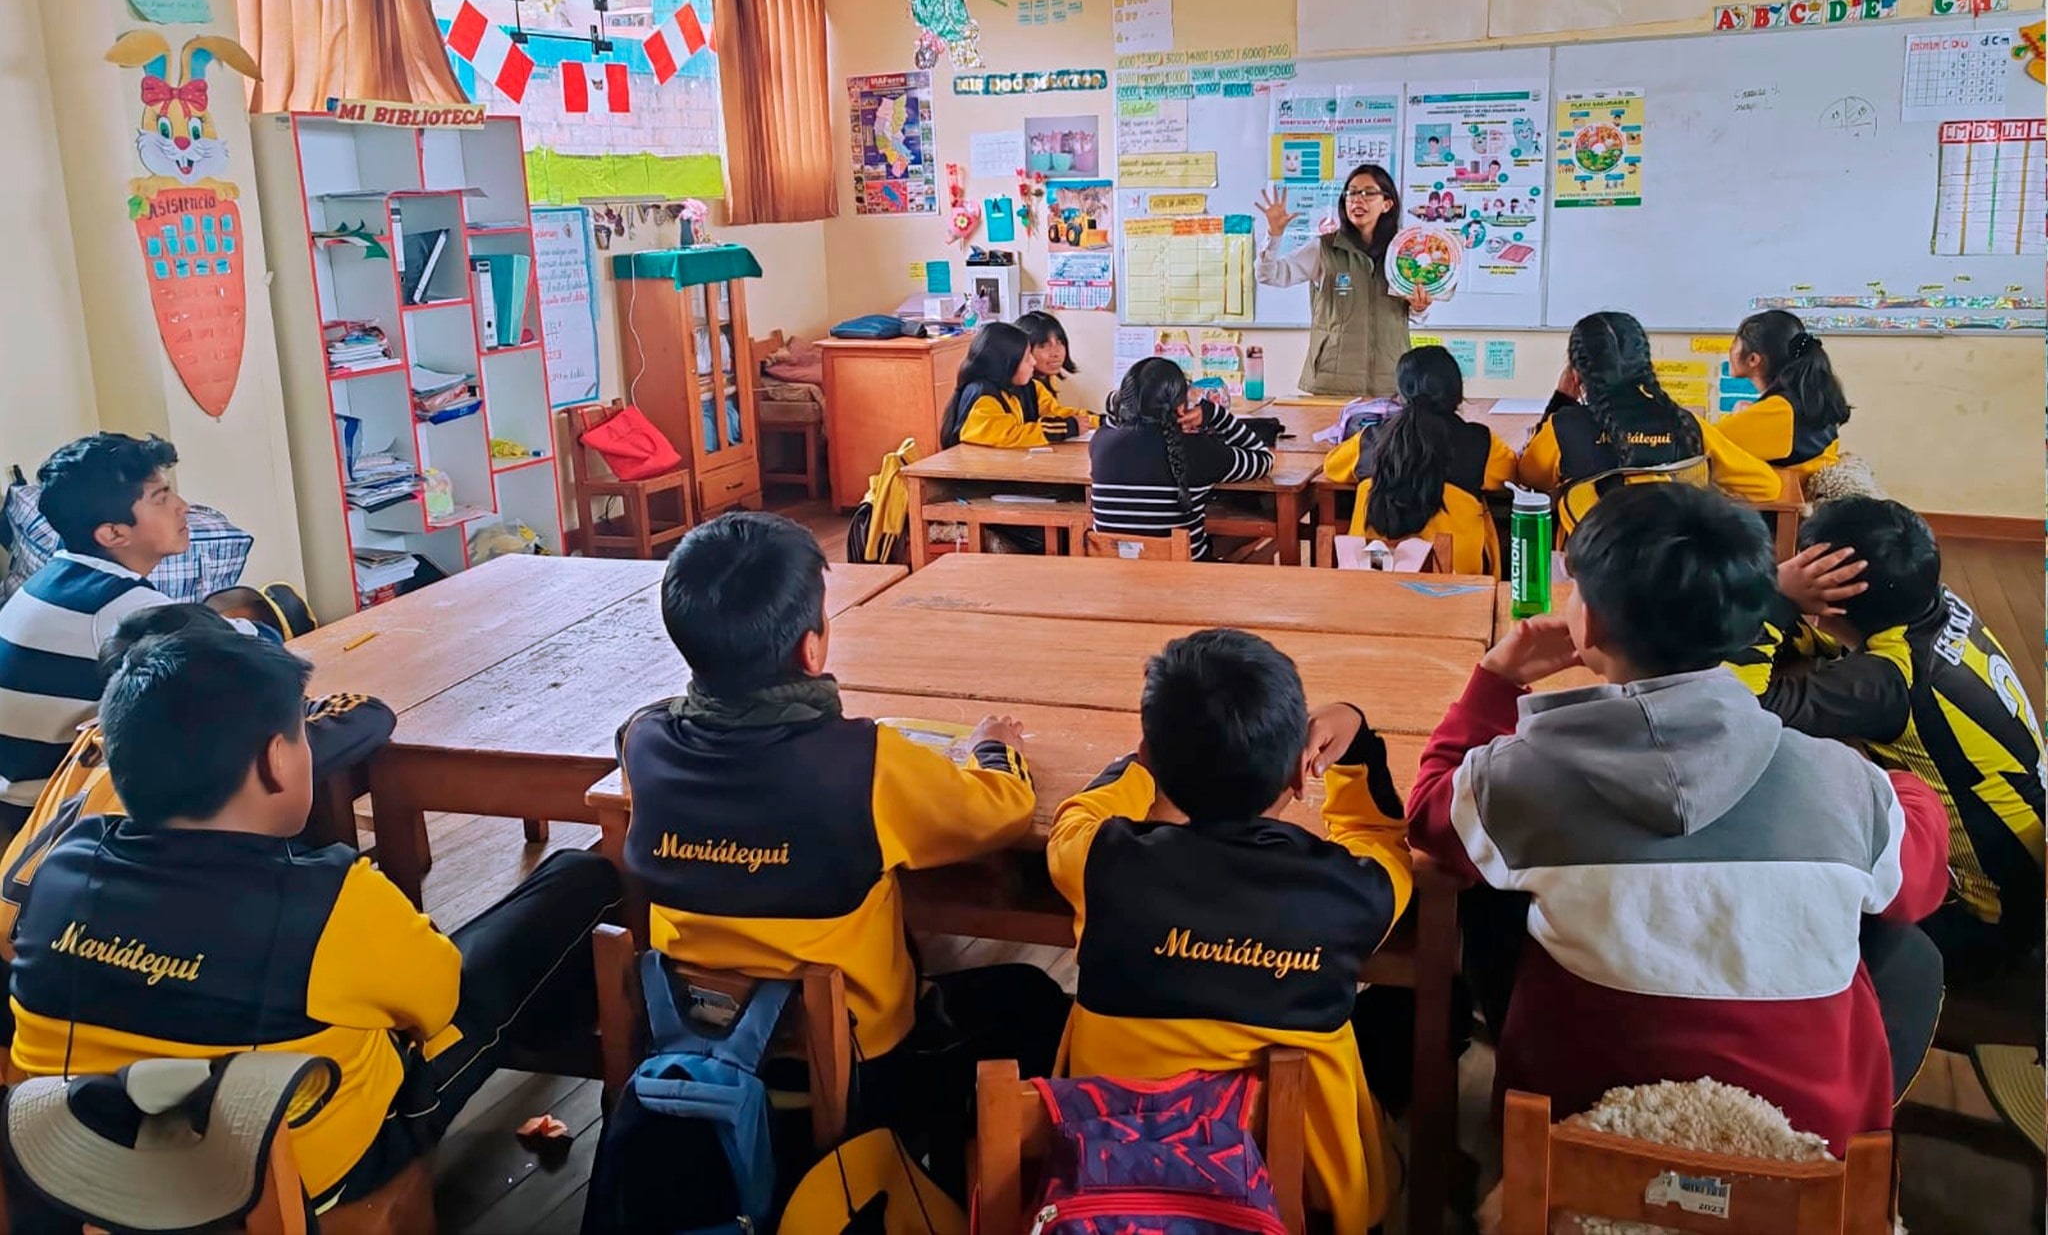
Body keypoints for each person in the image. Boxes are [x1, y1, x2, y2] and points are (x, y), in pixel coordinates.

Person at [1407, 483, 1949, 1154]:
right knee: (1898, 949)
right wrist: (1895, 786)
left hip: (1586, 1140)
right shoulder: (1842, 782)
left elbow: (1430, 816)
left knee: (1495, 897)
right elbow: (1919, 882)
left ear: (1591, 625)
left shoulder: (1526, 776)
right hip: (1800, 1156)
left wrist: (1494, 679)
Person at [7, 629, 622, 1208]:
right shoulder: (332, 896)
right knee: (575, 886)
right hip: (293, 1173)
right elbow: (441, 1002)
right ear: (277, 759)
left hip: (77, 1154)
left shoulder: (62, 868)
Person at [618, 512, 1070, 1189]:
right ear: (811, 649)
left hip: (693, 1049)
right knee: (1032, 996)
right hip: (862, 1068)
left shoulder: (645, 743)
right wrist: (993, 747)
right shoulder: (866, 763)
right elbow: (1000, 815)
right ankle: (956, 1188)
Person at [1047, 629, 1409, 1235]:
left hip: (1116, 1182)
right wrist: (1357, 746)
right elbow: (1383, 845)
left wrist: (1143, 770)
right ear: (1299, 774)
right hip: (1305, 1200)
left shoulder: (1103, 864)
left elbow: (1077, 819)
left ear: (1157, 760)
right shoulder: (1351, 894)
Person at [1741, 497, 2043, 983]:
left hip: (1978, 919)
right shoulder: (1937, 610)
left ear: (1830, 601)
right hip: (2024, 884)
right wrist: (1789, 621)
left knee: (1772, 896)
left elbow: (1738, 707)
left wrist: (1775, 600)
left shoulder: (1888, 681)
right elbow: (1839, 648)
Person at [0, 601, 396, 964]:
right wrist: (273, 706)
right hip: (63, 972)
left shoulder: (99, 736)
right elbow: (368, 714)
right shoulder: (209, 753)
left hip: (27, 963)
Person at [0, 434, 225, 833]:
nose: (182, 507)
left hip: (16, 796)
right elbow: (238, 654)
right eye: (161, 497)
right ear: (113, 534)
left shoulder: (51, 578)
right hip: (53, 816)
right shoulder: (116, 607)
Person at [1516, 311, 1781, 504]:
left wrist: (1562, 401)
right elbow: (1767, 486)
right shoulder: (1685, 425)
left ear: (1576, 373)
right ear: (1646, 366)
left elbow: (1529, 477)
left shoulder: (1563, 429)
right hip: (1675, 569)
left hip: (1590, 574)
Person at [1322, 345, 1516, 573]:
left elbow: (1331, 466)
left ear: (1401, 394)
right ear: (1457, 393)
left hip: (1376, 574)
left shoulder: (1371, 439)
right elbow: (1513, 473)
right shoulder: (1479, 441)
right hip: (1455, 582)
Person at [1254, 163, 1431, 398]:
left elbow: (1412, 315)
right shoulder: (1325, 248)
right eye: (1352, 193)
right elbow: (1269, 274)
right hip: (1332, 383)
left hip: (1391, 383)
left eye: (1368, 193)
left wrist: (1419, 307)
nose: (1358, 200)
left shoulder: (1403, 253)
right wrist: (1274, 236)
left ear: (1387, 204)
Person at [1089, 358, 1273, 562]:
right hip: (1186, 580)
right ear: (1180, 407)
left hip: (1114, 578)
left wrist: (1129, 405)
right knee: (1263, 536)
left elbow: (1114, 416)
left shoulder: (1100, 442)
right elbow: (1263, 458)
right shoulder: (1198, 449)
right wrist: (1215, 415)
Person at [1716, 310, 1851, 476]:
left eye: (1735, 344)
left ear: (1753, 359)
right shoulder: (1800, 399)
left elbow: (1703, 443)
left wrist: (1736, 416)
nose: (1730, 351)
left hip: (1790, 496)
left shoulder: (1780, 410)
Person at [938, 321, 1081, 449]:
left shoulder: (1020, 388)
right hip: (976, 475)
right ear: (1006, 364)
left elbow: (1054, 411)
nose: (1033, 362)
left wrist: (1094, 421)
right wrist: (1066, 428)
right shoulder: (983, 396)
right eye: (1026, 358)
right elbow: (1009, 434)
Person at [1017, 309, 1096, 430]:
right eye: (1043, 346)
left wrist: (1101, 420)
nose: (1056, 353)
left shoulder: (1048, 379)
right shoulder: (1022, 387)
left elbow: (1058, 414)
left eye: (1059, 342)